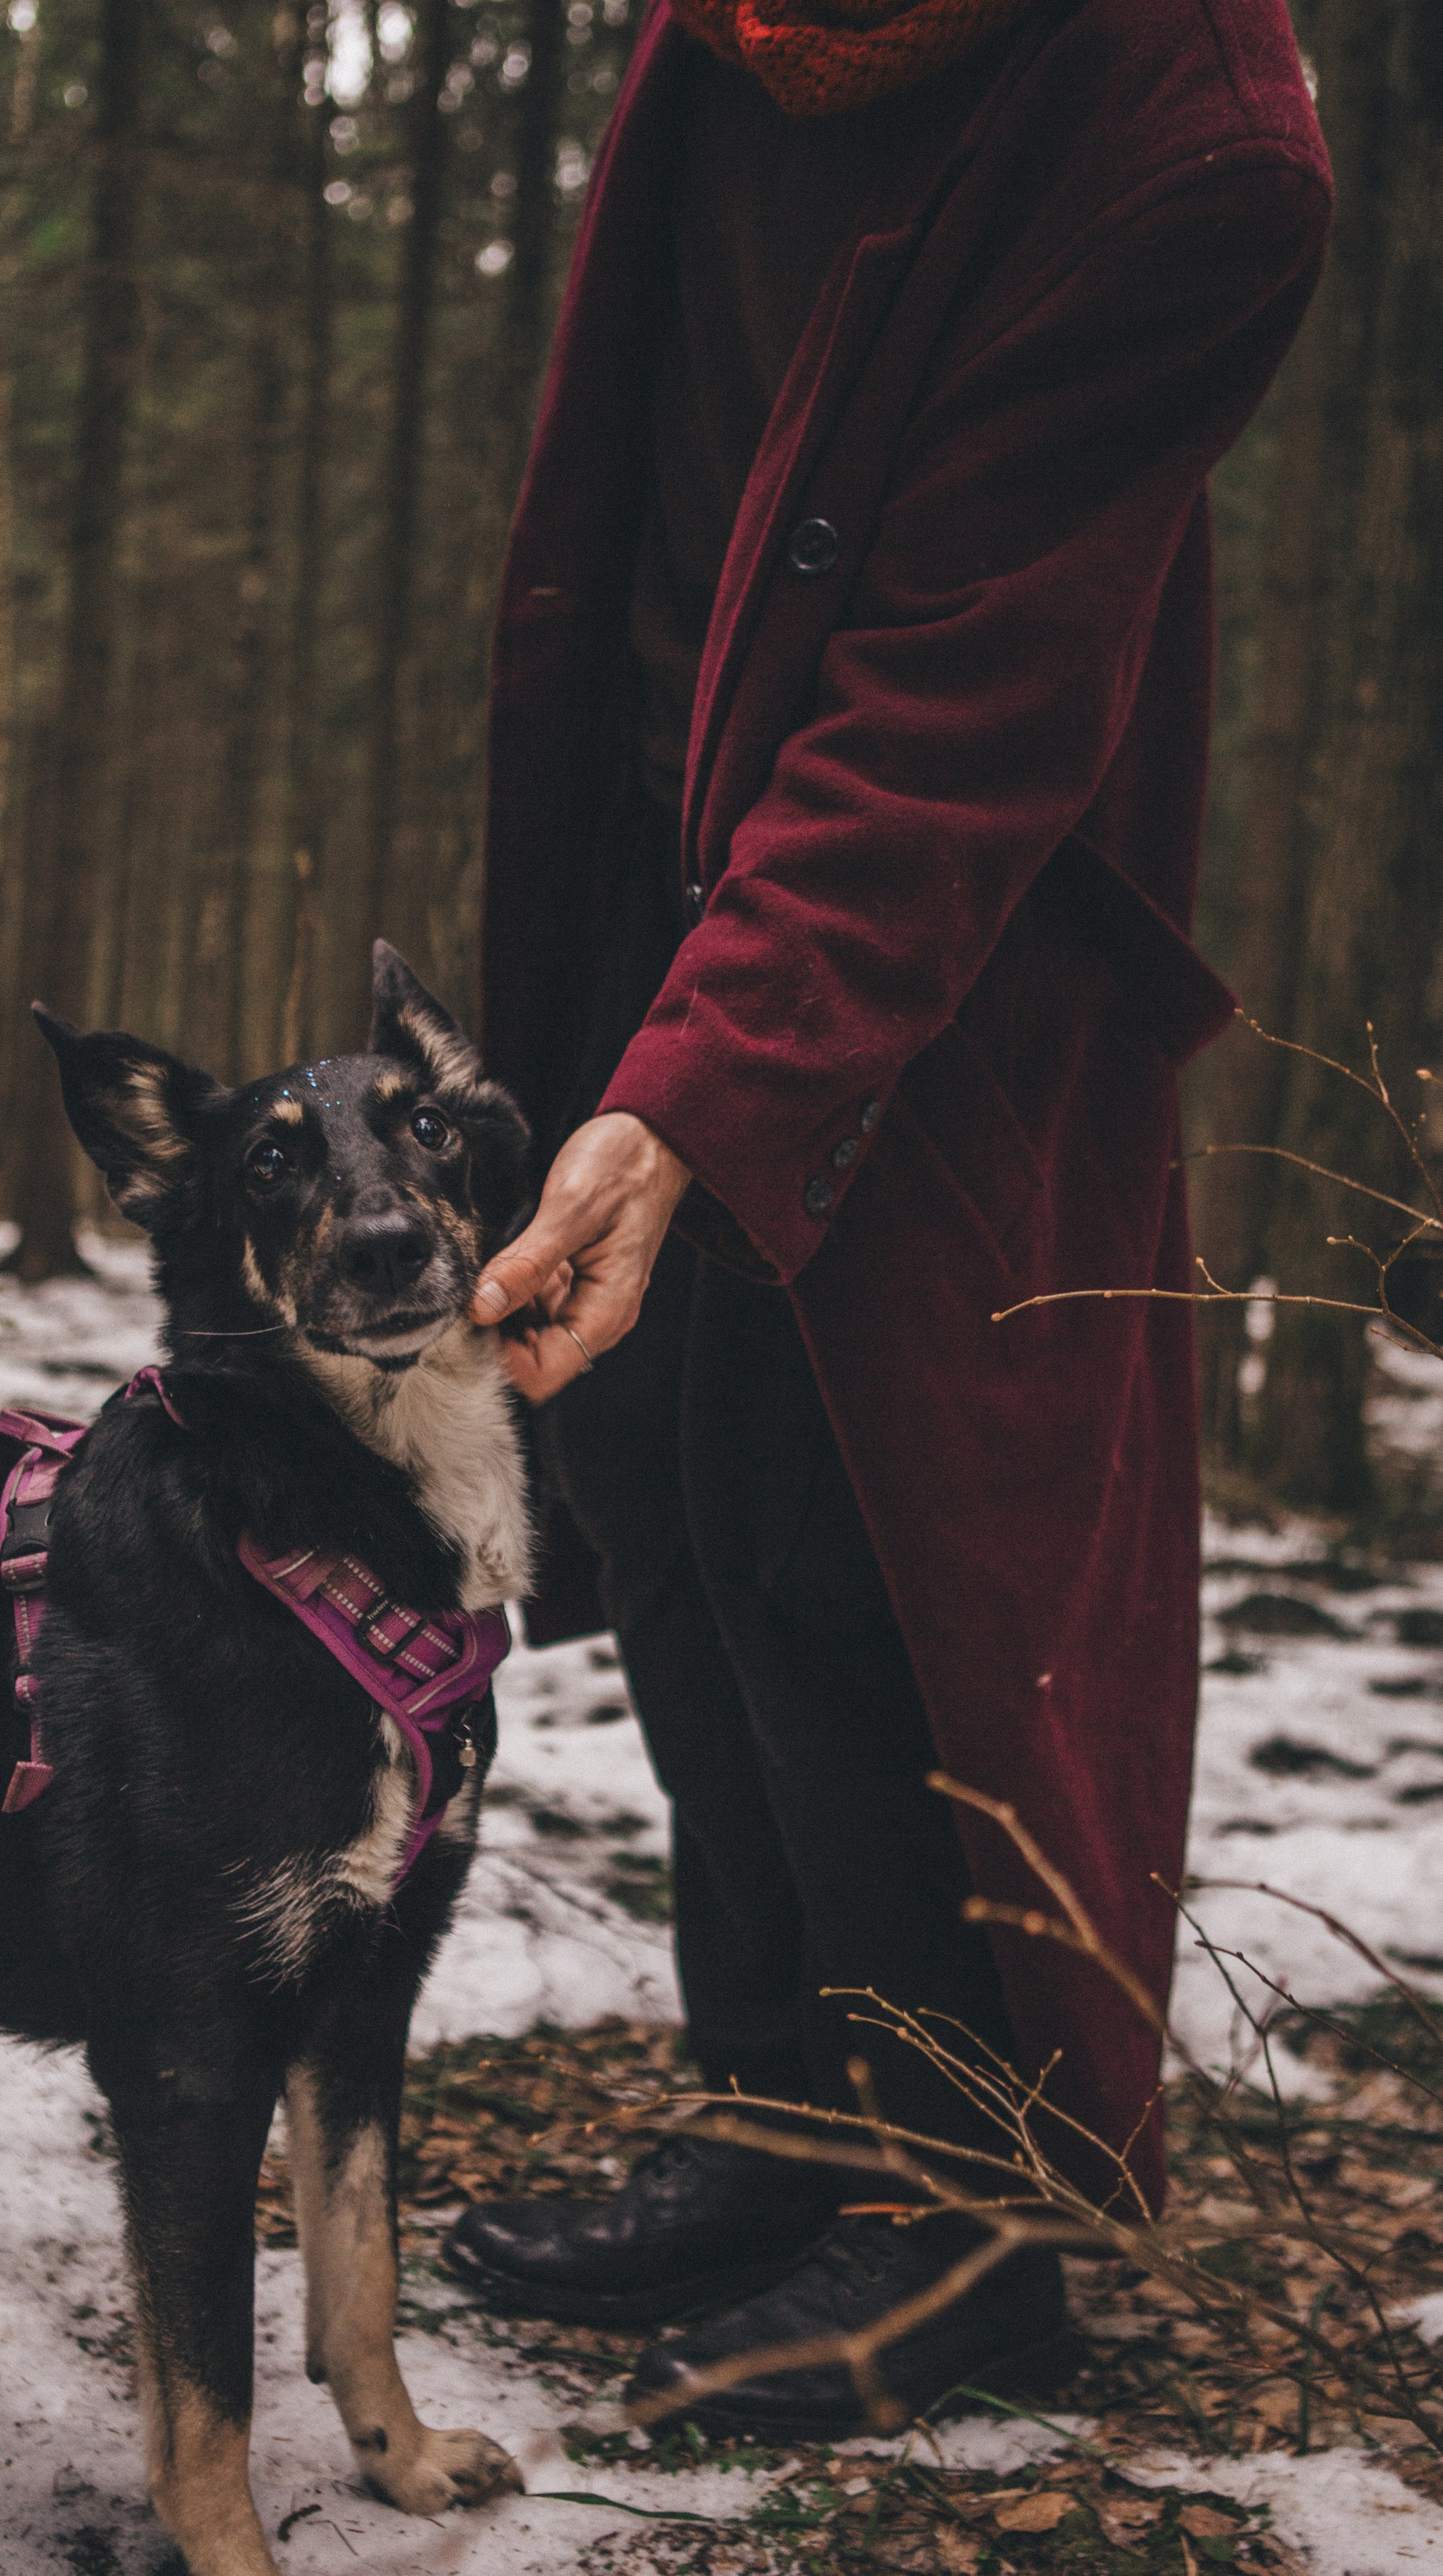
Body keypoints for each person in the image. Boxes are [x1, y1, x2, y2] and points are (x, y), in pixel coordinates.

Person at [439, 0, 1330, 2438]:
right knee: (685, 1506)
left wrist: (713, 1079)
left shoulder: (1198, 137)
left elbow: (967, 690)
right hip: (653, 841)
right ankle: (793, 2115)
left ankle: (973, 2222)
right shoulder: (744, 27)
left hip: (940, 925)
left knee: (872, 1540)